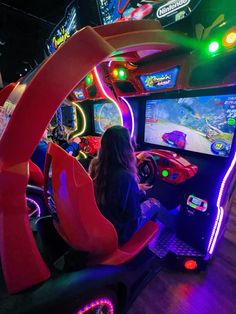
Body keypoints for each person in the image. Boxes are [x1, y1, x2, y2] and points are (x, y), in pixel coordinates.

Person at [89, 125, 177, 245]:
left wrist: (136, 183)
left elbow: (113, 180)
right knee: (154, 203)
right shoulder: (126, 177)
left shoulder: (95, 164)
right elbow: (133, 214)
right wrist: (138, 190)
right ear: (126, 148)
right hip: (121, 232)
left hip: (104, 223)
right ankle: (167, 235)